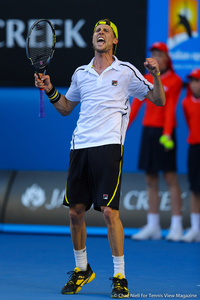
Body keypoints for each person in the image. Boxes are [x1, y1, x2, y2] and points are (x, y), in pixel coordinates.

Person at [34, 19, 165, 298]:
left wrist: (156, 75)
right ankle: (82, 269)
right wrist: (49, 89)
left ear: (115, 40)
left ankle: (120, 275)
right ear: (93, 39)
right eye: (97, 30)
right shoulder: (81, 73)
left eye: (106, 31)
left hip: (108, 148)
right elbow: (67, 107)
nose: (100, 33)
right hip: (79, 147)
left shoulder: (127, 71)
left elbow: (158, 100)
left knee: (108, 212)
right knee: (74, 212)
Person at [128, 42, 183, 242]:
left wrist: (167, 133)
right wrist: (124, 128)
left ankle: (176, 226)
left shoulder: (175, 81)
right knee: (150, 179)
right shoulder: (145, 78)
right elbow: (135, 105)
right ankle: (153, 226)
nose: (156, 57)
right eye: (153, 54)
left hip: (165, 133)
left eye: (159, 54)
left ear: (166, 58)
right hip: (148, 131)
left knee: (170, 178)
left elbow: (170, 108)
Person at [181, 69, 200, 243]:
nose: (194, 84)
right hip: (194, 148)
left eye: (197, 80)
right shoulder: (186, 103)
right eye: (192, 81)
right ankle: (195, 228)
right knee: (194, 189)